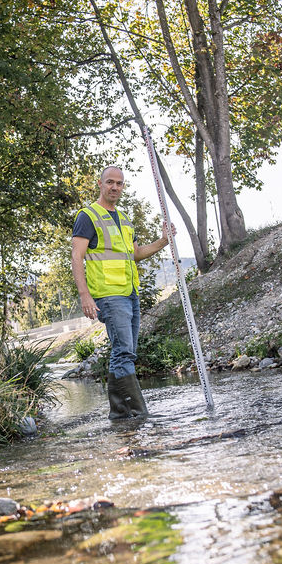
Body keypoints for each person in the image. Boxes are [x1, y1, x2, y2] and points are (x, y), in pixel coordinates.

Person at [71, 165, 173, 419]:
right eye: (110, 182)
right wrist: (85, 295)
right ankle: (137, 413)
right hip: (108, 295)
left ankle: (120, 413)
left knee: (126, 351)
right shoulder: (88, 215)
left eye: (119, 183)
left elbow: (136, 254)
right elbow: (76, 256)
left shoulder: (125, 218)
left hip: (130, 293)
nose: (114, 187)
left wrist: (164, 241)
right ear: (100, 184)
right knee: (124, 352)